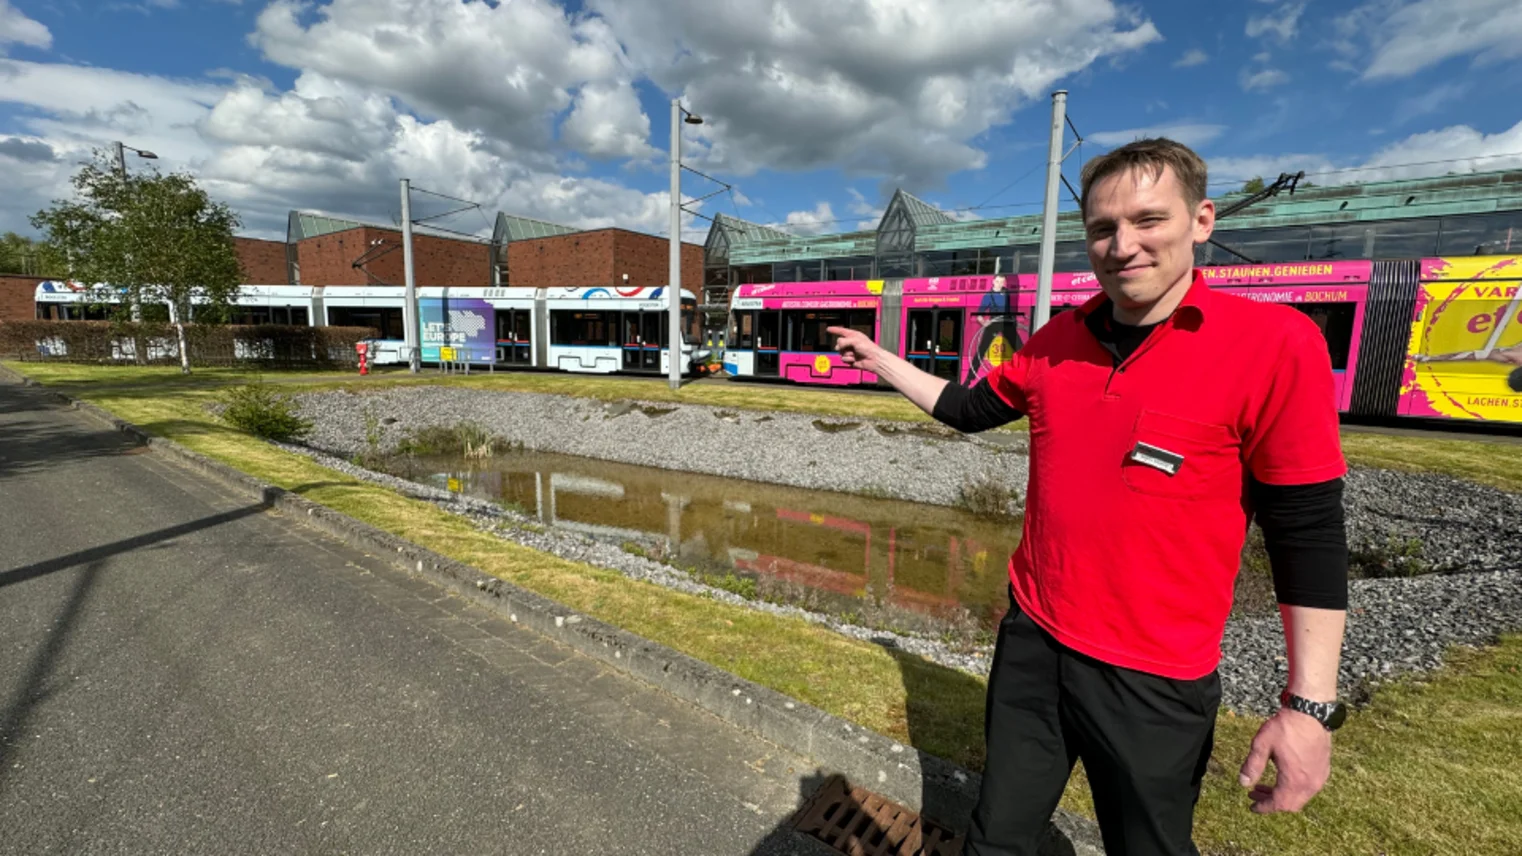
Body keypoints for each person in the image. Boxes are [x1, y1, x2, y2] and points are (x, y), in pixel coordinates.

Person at [828, 138, 1349, 856]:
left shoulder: (1275, 343)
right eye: (1103, 228)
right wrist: (880, 359)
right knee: (996, 840)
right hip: (1033, 646)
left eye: (1148, 220)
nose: (1123, 245)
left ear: (1201, 220)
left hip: (1157, 678)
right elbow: (971, 410)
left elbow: (1307, 532)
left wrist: (1308, 708)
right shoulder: (1057, 339)